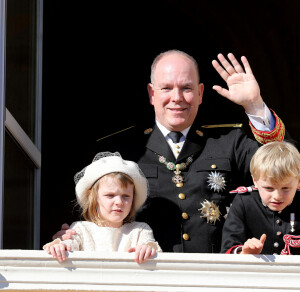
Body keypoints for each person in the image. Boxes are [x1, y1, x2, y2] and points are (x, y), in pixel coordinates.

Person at [52, 50, 286, 253]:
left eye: (187, 88)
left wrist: (255, 106)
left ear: (201, 93)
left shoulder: (230, 142)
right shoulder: (119, 152)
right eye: (166, 88)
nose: (177, 98)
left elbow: (287, 170)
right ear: (152, 94)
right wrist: (73, 236)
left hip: (217, 279)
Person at [43, 152, 162, 263]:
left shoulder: (140, 230)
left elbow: (151, 248)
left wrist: (147, 250)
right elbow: (69, 245)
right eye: (110, 195)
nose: (119, 202)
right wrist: (60, 247)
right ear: (93, 198)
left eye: (126, 196)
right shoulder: (80, 229)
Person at [221, 141, 300, 255]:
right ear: (255, 181)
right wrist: (244, 252)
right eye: (269, 188)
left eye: (286, 188)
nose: (277, 196)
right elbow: (228, 247)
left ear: (298, 182)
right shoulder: (244, 202)